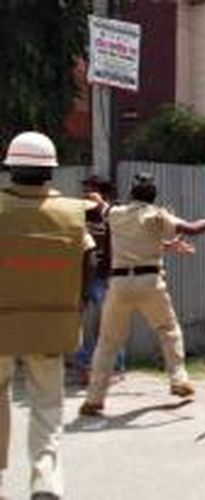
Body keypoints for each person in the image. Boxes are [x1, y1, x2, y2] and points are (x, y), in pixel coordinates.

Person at [78, 172, 205, 416]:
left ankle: (94, 398)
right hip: (150, 281)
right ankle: (179, 380)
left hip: (119, 283)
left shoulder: (116, 214)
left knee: (108, 341)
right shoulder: (157, 215)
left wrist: (97, 199)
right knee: (168, 331)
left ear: (131, 193)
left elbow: (102, 209)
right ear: (154, 195)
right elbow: (192, 228)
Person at [0, 131, 96, 499]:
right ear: (51, 172)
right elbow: (88, 261)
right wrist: (76, 304)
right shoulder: (71, 214)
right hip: (51, 325)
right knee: (47, 404)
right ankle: (44, 481)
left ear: (10, 168)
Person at [74, 175, 126, 384]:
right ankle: (86, 366)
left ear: (102, 192)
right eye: (84, 190)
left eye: (90, 190)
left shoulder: (113, 212)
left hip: (107, 276)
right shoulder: (80, 214)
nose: (86, 194)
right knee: (78, 325)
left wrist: (101, 205)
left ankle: (115, 368)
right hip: (85, 276)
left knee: (109, 324)